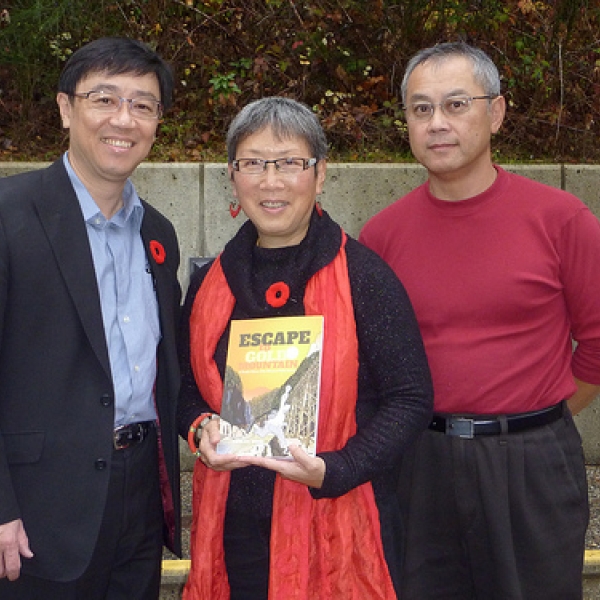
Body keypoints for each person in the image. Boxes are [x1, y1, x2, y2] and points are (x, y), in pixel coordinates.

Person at [359, 41, 600, 600]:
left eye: (455, 105)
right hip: (419, 463)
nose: (437, 123)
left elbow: (596, 343)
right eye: (421, 109)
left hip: (531, 465)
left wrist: (539, 416)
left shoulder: (562, 220)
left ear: (496, 113)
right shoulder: (381, 236)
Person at [177, 96, 433, 599]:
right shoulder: (209, 283)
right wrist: (201, 428)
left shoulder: (364, 277)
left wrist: (335, 470)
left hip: (337, 525)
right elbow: (186, 388)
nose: (270, 181)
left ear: (319, 175)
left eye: (291, 163)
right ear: (233, 176)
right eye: (253, 163)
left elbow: (410, 400)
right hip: (233, 531)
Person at [0, 37, 182, 599]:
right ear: (65, 109)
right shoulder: (10, 217)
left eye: (143, 105)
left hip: (141, 497)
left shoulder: (158, 232)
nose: (123, 119)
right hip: (36, 508)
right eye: (104, 99)